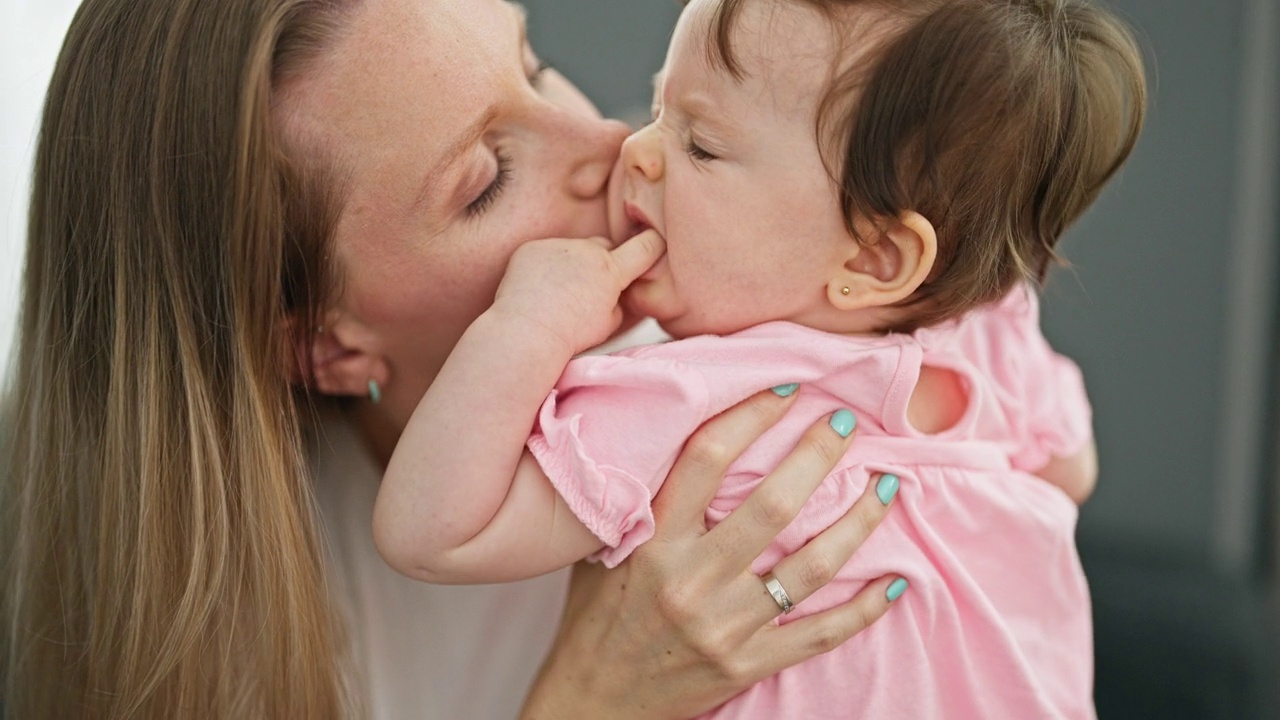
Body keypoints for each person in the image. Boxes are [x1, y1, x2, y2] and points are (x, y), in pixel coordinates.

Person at [0, 0, 910, 717]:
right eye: (486, 180)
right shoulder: (247, 635)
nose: (614, 146)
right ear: (321, 344)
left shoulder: (787, 276)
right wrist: (591, 706)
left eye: (536, 66)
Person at [374, 0, 1146, 717]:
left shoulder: (692, 394)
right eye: (657, 109)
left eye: (702, 144)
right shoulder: (990, 330)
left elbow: (436, 531)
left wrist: (527, 324)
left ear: (876, 257)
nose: (635, 151)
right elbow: (1067, 476)